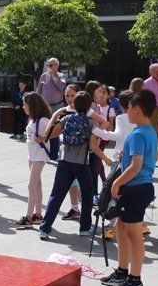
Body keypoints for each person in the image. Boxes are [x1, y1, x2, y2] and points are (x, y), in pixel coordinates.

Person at [100, 90, 158, 286]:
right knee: (121, 227)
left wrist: (116, 182)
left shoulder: (138, 134)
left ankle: (135, 280)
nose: (127, 112)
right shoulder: (149, 131)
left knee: (134, 233)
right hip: (139, 187)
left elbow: (136, 166)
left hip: (135, 187)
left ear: (137, 109)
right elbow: (147, 159)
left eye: (130, 108)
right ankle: (122, 271)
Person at [38, 91, 111, 238]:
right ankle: (84, 228)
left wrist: (52, 122)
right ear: (90, 105)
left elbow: (51, 134)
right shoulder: (92, 123)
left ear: (74, 105)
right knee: (87, 195)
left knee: (56, 195)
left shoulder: (66, 119)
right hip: (82, 164)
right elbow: (95, 140)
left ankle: (45, 229)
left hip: (64, 162)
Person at [92, 90, 137, 240]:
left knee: (114, 191)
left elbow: (117, 136)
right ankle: (137, 224)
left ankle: (110, 227)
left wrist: (97, 131)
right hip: (136, 159)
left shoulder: (121, 117)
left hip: (120, 158)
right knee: (132, 192)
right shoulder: (140, 117)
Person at [16, 92, 51, 226]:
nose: (23, 106)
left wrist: (43, 138)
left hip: (39, 155)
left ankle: (29, 217)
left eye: (25, 104)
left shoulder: (43, 120)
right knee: (37, 184)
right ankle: (38, 214)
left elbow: (52, 133)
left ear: (32, 105)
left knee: (31, 185)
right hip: (32, 154)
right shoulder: (32, 119)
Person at [36, 58, 67, 157]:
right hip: (45, 107)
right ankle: (45, 150)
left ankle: (54, 153)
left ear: (56, 66)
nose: (48, 67)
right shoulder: (43, 76)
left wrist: (53, 76)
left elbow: (62, 87)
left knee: (54, 129)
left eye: (51, 65)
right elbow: (39, 91)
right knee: (45, 128)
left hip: (57, 106)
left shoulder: (61, 76)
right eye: (48, 65)